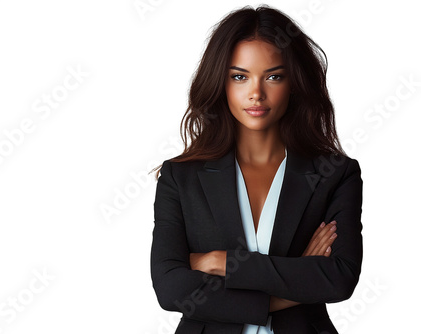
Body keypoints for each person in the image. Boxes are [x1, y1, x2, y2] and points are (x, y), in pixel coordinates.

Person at [150, 5, 363, 334]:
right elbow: (170, 288)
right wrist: (295, 278)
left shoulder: (335, 173)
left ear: (293, 82)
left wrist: (220, 262)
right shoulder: (181, 177)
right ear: (221, 82)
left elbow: (338, 279)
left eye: (274, 76)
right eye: (240, 76)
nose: (256, 93)